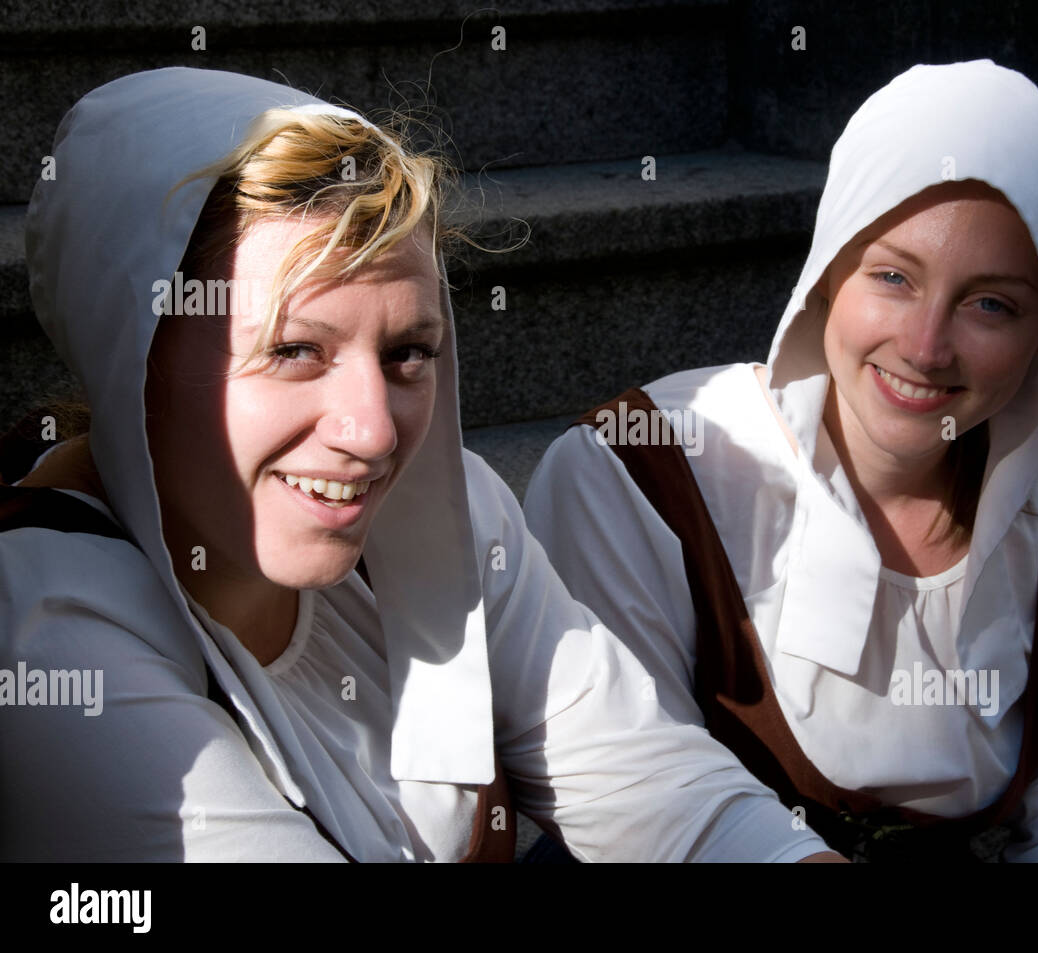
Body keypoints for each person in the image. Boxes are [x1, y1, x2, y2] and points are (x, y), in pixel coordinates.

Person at [0, 67, 841, 862]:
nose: (373, 432)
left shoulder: (449, 515)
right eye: (294, 349)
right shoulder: (52, 637)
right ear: (129, 356)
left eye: (408, 351)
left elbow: (663, 790)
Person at [524, 60, 1038, 861]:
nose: (926, 346)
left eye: (991, 304)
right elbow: (627, 785)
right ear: (829, 271)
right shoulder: (640, 474)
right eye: (894, 276)